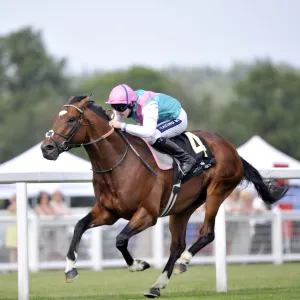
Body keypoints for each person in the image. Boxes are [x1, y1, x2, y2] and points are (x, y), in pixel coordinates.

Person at [106, 84, 196, 175]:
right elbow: (117, 121)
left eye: (120, 108)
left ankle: (186, 159)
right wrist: (116, 121)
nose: (117, 111)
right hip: (157, 118)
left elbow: (148, 132)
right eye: (114, 107)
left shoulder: (148, 105)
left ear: (130, 103)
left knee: (152, 136)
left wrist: (123, 125)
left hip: (176, 118)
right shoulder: (124, 102)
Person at [5, 194, 17, 263]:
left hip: (17, 230)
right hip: (13, 231)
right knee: (13, 250)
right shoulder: (11, 207)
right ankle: (13, 264)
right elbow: (12, 209)